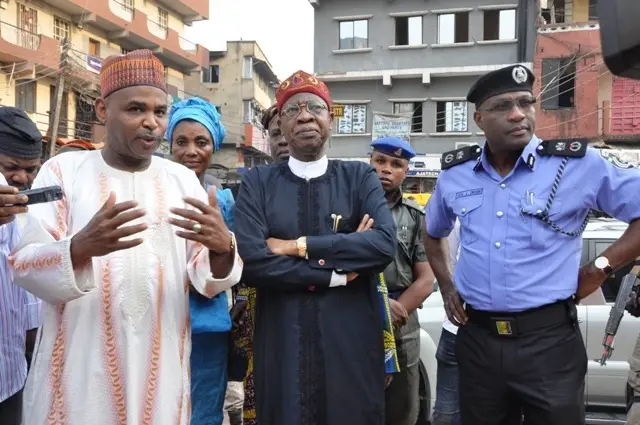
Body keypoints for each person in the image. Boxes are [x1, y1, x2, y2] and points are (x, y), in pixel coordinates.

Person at [9, 49, 243, 425]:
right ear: (102, 111)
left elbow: (207, 278)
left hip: (161, 367)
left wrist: (222, 247)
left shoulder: (181, 181)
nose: (151, 123)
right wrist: (80, 247)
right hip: (79, 370)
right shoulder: (63, 171)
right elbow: (24, 262)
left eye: (159, 112)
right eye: (135, 110)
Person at [424, 63, 640, 425]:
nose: (518, 114)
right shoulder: (456, 174)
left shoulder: (576, 164)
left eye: (526, 103)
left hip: (549, 343)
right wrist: (447, 286)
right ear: (479, 119)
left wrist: (599, 268)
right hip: (478, 340)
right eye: (503, 106)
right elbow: (432, 232)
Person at [234, 70, 397, 425]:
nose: (305, 115)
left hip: (349, 342)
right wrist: (338, 273)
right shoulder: (257, 183)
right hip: (281, 343)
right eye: (292, 110)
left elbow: (383, 245)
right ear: (280, 124)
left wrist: (296, 246)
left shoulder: (359, 177)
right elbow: (252, 263)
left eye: (314, 108)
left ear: (330, 119)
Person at [166, 97, 237, 425]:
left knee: (204, 409)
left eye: (201, 142)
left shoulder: (224, 202)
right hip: (159, 321)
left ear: (214, 146)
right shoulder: (152, 193)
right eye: (181, 142)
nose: (190, 151)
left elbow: (239, 257)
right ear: (169, 145)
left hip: (208, 328)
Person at [368, 137, 434, 425]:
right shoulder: (347, 211)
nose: (386, 169)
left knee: (402, 407)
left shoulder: (415, 217)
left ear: (405, 172)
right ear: (370, 163)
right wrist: (377, 304)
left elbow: (426, 279)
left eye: (396, 164)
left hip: (401, 321)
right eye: (380, 161)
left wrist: (393, 309)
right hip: (357, 313)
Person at [0, 108, 42, 425]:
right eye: (11, 167)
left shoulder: (27, 220)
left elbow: (29, 311)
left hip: (12, 378)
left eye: (30, 169)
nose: (21, 178)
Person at [432, 219, 461, 425]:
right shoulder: (460, 217)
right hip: (455, 332)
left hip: (495, 337)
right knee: (446, 416)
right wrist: (448, 292)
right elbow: (445, 260)